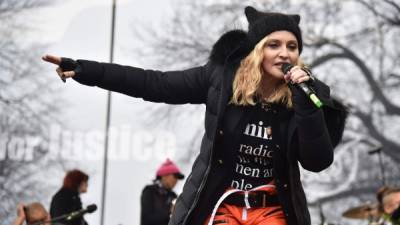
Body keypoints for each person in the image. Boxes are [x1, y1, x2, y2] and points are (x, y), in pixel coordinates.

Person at [42, 6, 347, 225]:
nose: (285, 53)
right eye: (274, 45)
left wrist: (306, 103)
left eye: (292, 46)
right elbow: (154, 84)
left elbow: (317, 161)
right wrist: (85, 69)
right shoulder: (220, 80)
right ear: (256, 50)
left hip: (272, 211)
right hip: (221, 206)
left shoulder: (304, 98)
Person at [141, 158, 185, 225]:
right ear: (165, 175)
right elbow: (147, 218)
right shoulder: (149, 191)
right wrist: (170, 211)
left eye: (178, 178)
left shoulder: (174, 196)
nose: (176, 180)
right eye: (175, 176)